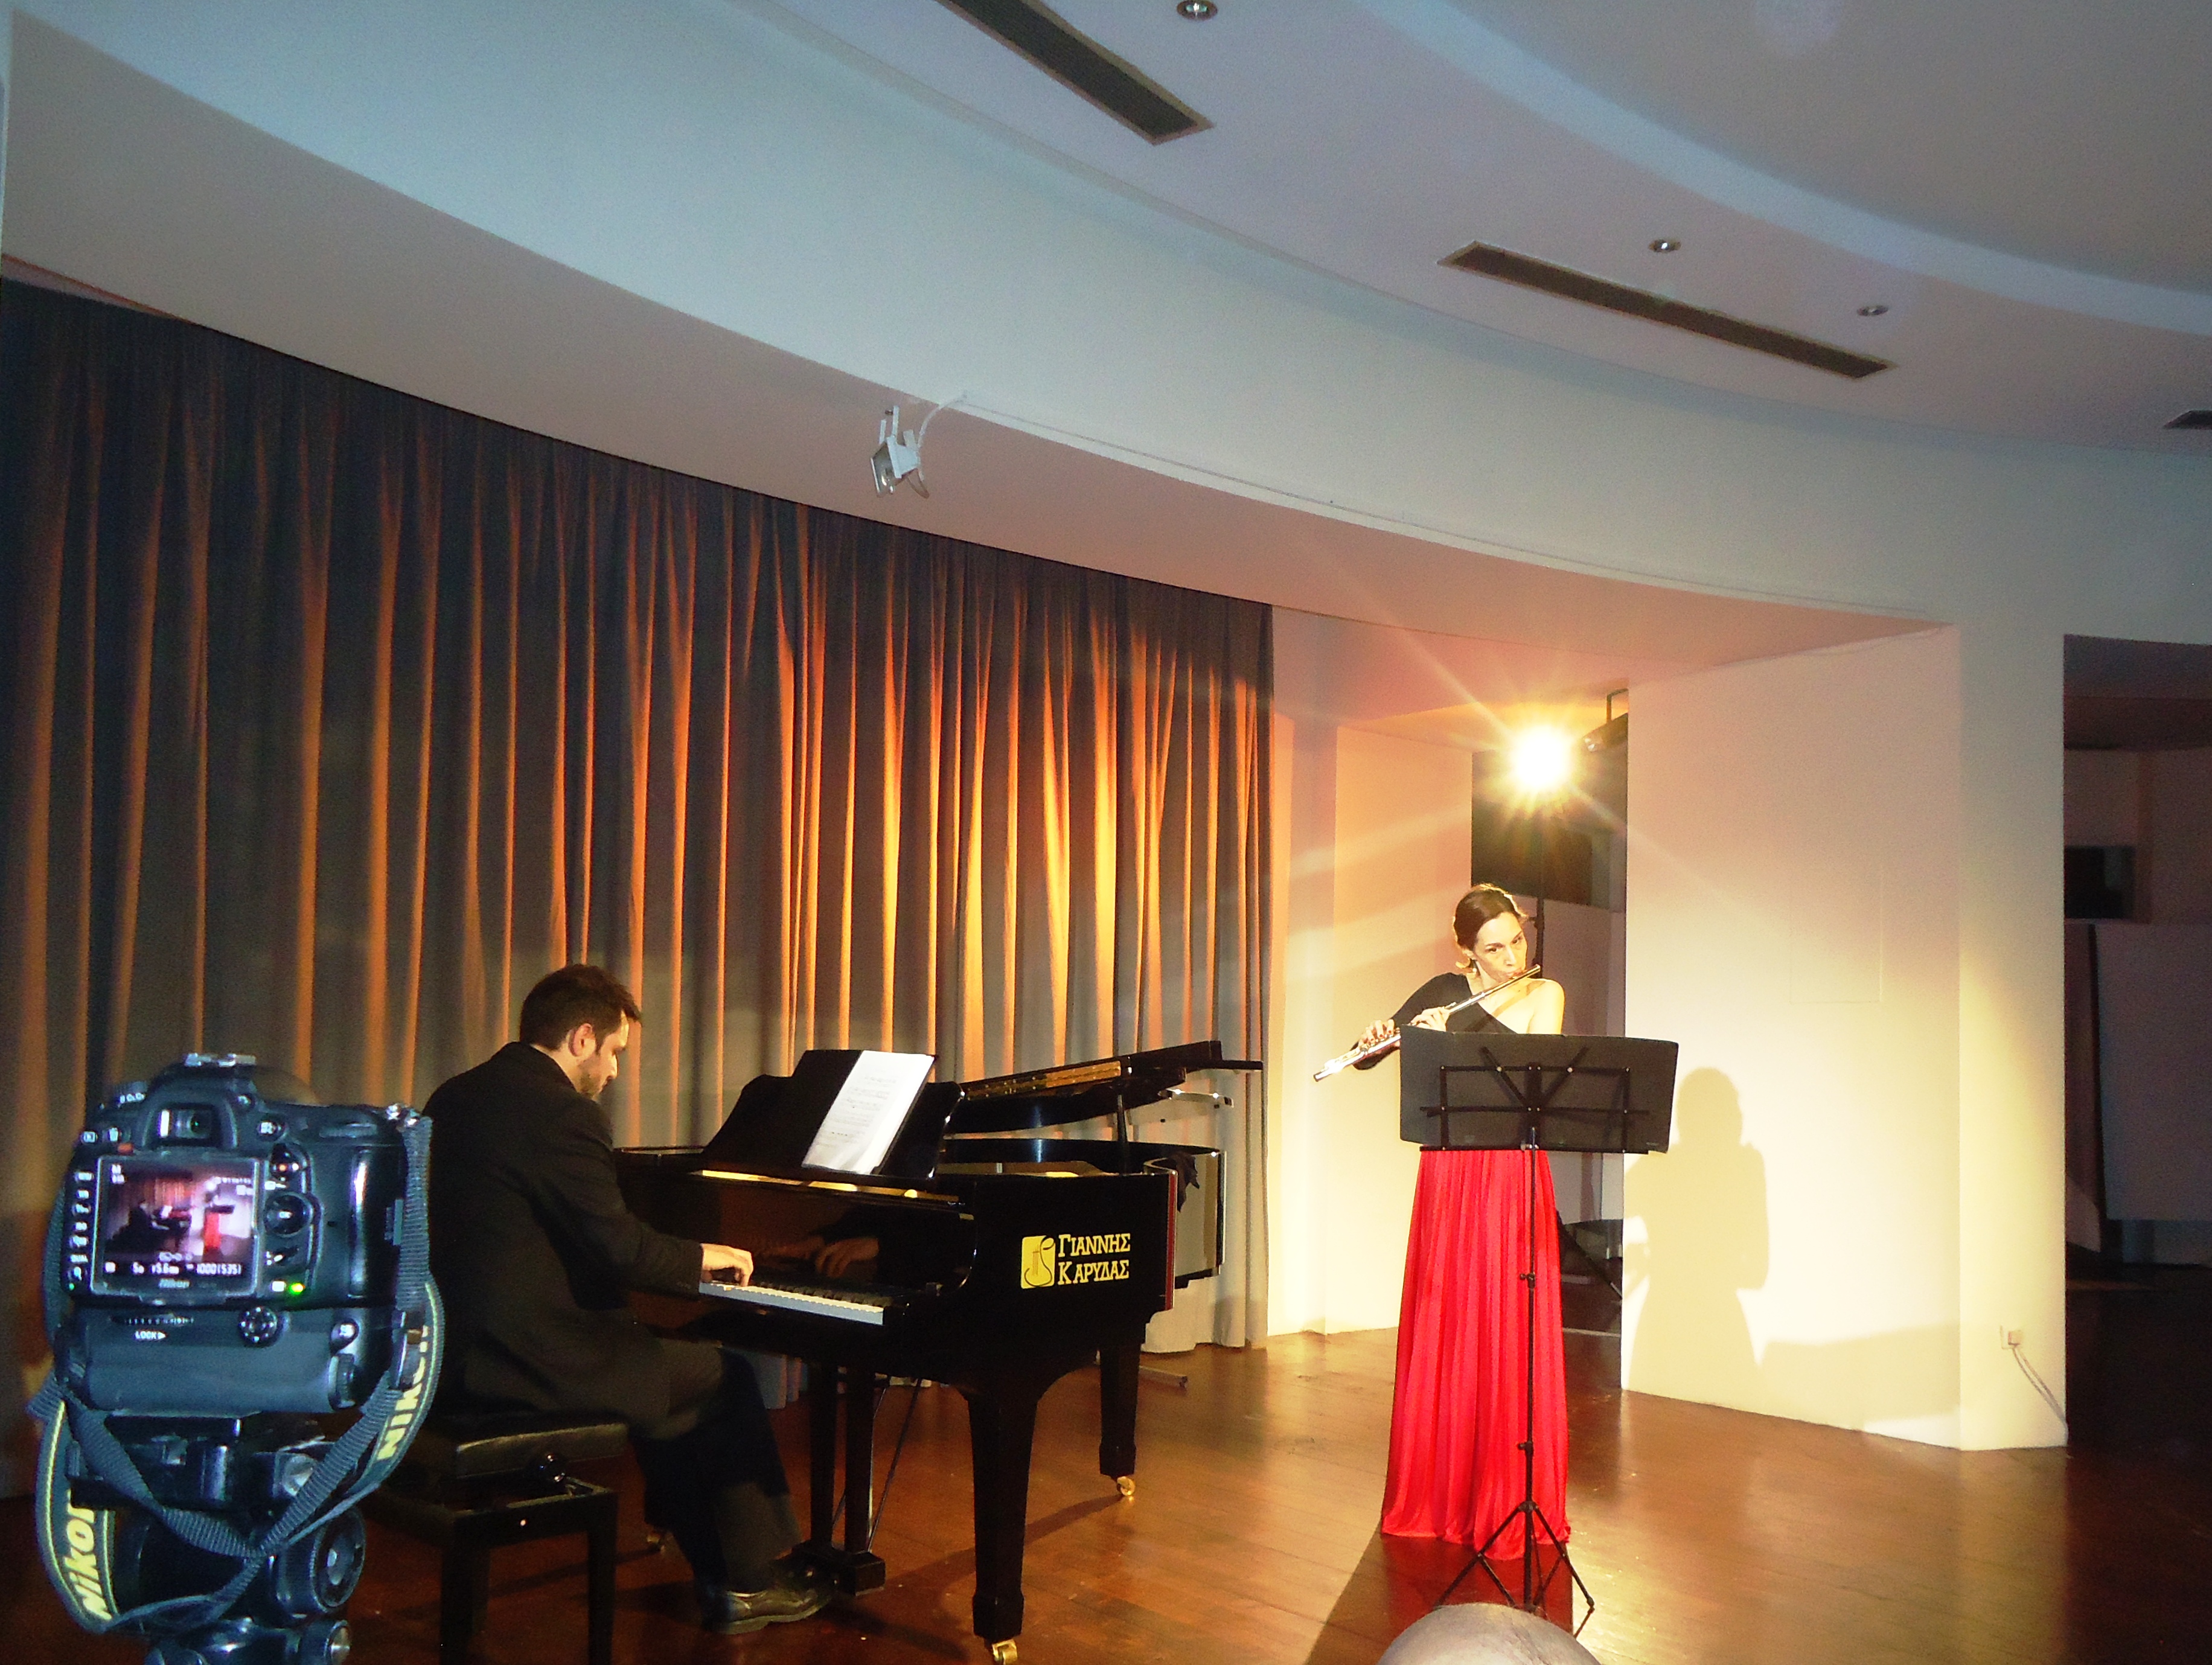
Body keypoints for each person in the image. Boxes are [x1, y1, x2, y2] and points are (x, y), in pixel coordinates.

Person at [424, 964, 826, 1634]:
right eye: (614, 1052)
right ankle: (748, 1584)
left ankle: (721, 1568)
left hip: (460, 1348)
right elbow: (619, 1248)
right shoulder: (563, 1114)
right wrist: (702, 1256)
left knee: (664, 1384)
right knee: (722, 1378)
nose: (613, 1071)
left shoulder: (456, 1096)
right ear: (581, 1038)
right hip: (528, 1358)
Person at [1355, 884, 1571, 1548]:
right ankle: (1437, 1497)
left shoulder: (1544, 993)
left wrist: (1455, 1029)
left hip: (1511, 1168)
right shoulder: (1441, 992)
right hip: (1450, 1169)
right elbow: (1372, 1057)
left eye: (1517, 941)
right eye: (1494, 948)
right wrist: (1380, 1041)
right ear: (1466, 952)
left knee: (1508, 1318)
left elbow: (1533, 1069)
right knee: (1448, 1314)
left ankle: (1504, 1494)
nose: (1512, 958)